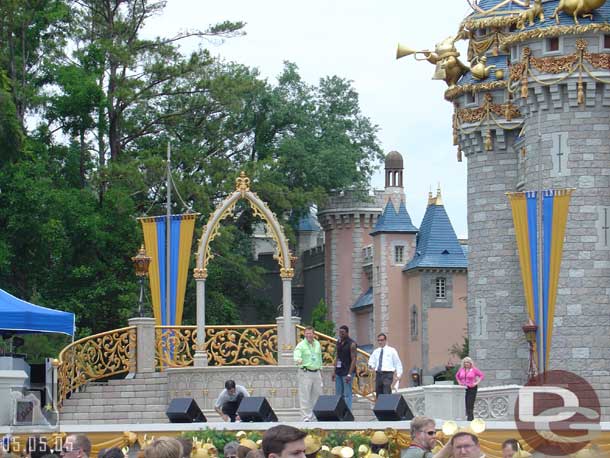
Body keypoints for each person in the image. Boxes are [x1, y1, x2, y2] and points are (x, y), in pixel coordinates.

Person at [293, 326, 323, 421]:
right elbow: (296, 354)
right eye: (307, 333)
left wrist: (320, 369)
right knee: (305, 396)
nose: (308, 335)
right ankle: (306, 417)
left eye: (310, 333)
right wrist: (298, 360)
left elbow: (319, 358)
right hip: (305, 372)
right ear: (304, 334)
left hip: (316, 372)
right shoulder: (301, 345)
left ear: (314, 334)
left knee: (317, 396)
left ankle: (316, 416)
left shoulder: (317, 344)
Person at [367, 333, 403, 397]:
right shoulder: (376, 351)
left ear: (385, 340)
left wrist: (399, 374)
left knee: (386, 390)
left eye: (381, 340)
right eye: (378, 340)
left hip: (387, 374)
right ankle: (380, 406)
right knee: (378, 392)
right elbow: (371, 362)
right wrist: (371, 366)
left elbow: (397, 363)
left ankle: (388, 406)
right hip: (378, 374)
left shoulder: (391, 350)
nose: (380, 342)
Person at [332, 325, 357, 410]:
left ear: (347, 333)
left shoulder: (352, 344)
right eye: (339, 333)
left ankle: (347, 412)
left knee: (347, 393)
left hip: (347, 371)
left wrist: (349, 374)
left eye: (342, 333)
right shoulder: (338, 342)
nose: (340, 334)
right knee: (339, 394)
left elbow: (354, 359)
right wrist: (334, 371)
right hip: (339, 371)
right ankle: (340, 412)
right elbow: (337, 356)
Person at [455, 357, 485, 421]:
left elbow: (482, 375)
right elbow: (457, 376)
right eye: (465, 362)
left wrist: (476, 382)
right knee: (464, 404)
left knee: (469, 404)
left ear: (470, 363)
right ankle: (466, 419)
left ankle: (470, 420)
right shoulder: (461, 370)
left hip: (472, 388)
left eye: (468, 362)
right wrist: (459, 382)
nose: (466, 363)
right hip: (463, 389)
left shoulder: (474, 369)